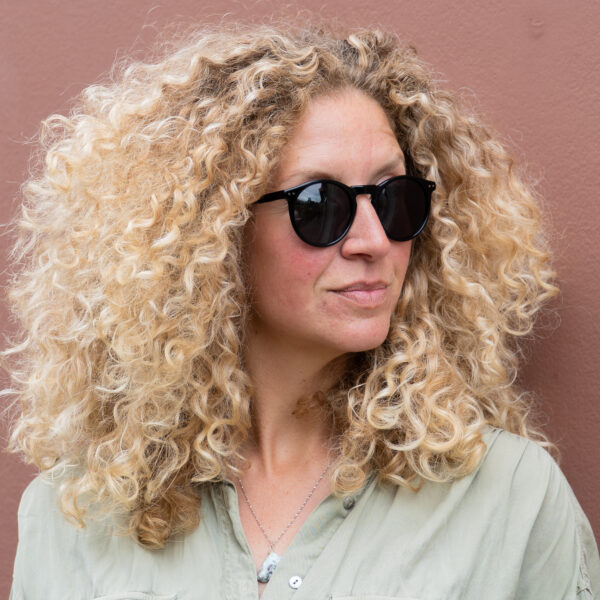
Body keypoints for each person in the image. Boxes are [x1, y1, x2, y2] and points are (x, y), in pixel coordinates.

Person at [5, 23, 599, 600]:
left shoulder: (509, 498)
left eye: (393, 198)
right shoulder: (77, 512)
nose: (373, 241)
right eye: (319, 204)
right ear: (216, 232)